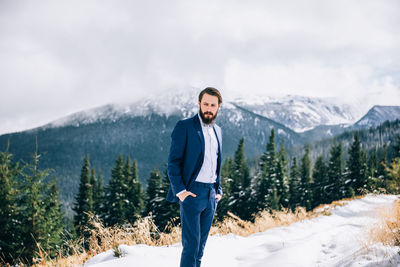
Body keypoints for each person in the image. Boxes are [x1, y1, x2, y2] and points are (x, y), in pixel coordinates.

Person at [166, 87, 223, 267]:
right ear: (199, 103)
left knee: (200, 248)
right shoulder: (185, 126)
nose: (208, 108)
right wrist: (181, 191)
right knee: (191, 247)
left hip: (211, 195)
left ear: (218, 107)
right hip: (192, 192)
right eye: (205, 103)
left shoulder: (218, 131)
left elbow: (216, 162)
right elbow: (173, 162)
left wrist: (218, 190)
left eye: (212, 105)